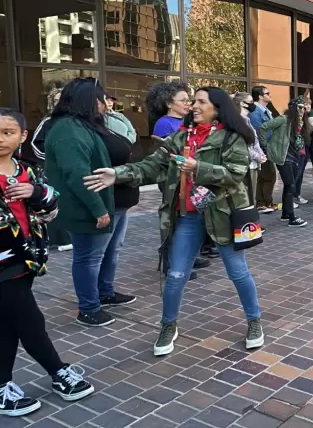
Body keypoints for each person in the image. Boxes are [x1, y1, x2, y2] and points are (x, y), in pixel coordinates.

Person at [85, 87, 264, 356]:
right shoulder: (181, 137)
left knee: (238, 273)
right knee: (176, 275)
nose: (195, 106)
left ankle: (254, 321)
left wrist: (198, 168)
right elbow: (151, 166)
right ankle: (168, 325)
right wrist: (118, 174)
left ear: (218, 108)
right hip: (188, 216)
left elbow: (235, 174)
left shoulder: (231, 137)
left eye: (202, 102)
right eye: (194, 101)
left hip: (223, 216)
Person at [0, 109, 95, 417]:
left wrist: (35, 192)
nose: (1, 139)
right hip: (3, 265)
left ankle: (2, 386)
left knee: (8, 325)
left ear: (22, 137)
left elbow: (52, 210)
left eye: (8, 132)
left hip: (27, 258)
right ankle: (58, 371)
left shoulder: (26, 169)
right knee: (30, 321)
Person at [43, 79, 137, 328]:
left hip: (112, 202)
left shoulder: (85, 124)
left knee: (108, 253)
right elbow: (77, 174)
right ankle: (89, 308)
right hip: (89, 207)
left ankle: (105, 292)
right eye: (101, 98)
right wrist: (99, 209)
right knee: (88, 258)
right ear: (89, 101)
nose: (106, 103)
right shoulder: (67, 130)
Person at [147, 83, 211, 272]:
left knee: (189, 217)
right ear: (169, 103)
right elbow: (171, 153)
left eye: (188, 100)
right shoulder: (165, 123)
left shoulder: (188, 122)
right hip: (173, 179)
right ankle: (169, 262)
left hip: (189, 177)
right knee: (173, 220)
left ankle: (188, 255)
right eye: (183, 100)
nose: (188, 104)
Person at [30, 88, 71, 253]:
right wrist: (53, 159)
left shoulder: (75, 121)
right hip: (54, 171)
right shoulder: (48, 121)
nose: (59, 103)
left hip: (72, 170)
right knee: (54, 202)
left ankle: (69, 236)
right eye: (56, 100)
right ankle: (58, 239)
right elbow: (36, 144)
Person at [259, 98, 310, 227]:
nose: (302, 110)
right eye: (299, 107)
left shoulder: (300, 122)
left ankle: (285, 214)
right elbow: (264, 127)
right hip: (284, 156)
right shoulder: (283, 119)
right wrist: (266, 146)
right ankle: (292, 218)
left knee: (289, 186)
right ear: (292, 107)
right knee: (291, 185)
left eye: (303, 108)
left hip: (295, 157)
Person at [232, 93, 267, 208]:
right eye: (250, 101)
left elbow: (254, 142)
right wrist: (257, 156)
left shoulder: (247, 120)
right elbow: (242, 145)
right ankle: (248, 224)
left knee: (251, 197)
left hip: (253, 163)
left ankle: (253, 224)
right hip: (245, 164)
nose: (253, 105)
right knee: (246, 198)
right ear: (242, 103)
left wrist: (261, 154)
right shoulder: (237, 122)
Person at [249, 86, 278, 213]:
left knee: (265, 176)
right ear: (260, 96)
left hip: (267, 147)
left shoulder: (265, 109)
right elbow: (259, 131)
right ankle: (264, 202)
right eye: (267, 93)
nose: (270, 95)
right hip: (263, 148)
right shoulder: (256, 111)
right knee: (269, 175)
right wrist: (264, 148)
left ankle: (263, 202)